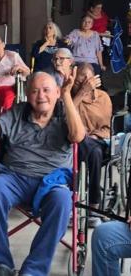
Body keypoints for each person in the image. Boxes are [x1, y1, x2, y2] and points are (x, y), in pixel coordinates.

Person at [0, 67, 85, 275]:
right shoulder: (19, 112)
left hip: (52, 181)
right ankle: (2, 264)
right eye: (35, 91)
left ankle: (34, 269)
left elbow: (78, 136)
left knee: (63, 200)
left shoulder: (65, 113)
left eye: (47, 90)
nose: (41, 96)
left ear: (56, 92)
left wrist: (67, 96)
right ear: (27, 95)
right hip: (15, 176)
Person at [72, 63, 112, 227]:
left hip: (98, 142)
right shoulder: (70, 96)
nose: (85, 81)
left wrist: (96, 135)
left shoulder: (103, 97)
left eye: (88, 77)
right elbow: (64, 114)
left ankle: (94, 206)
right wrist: (80, 94)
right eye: (80, 77)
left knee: (94, 152)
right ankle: (69, 202)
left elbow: (107, 126)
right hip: (76, 141)